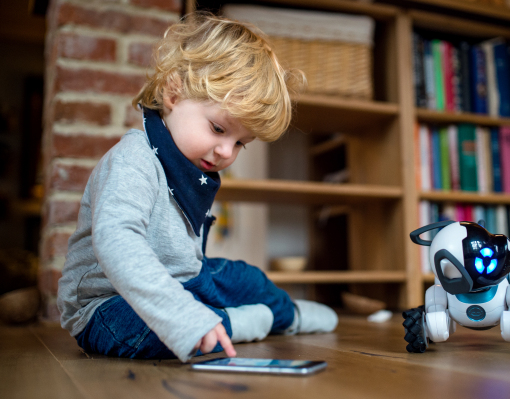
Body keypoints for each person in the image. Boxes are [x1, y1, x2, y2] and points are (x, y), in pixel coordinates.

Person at [57, 12, 338, 363]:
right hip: (106, 305)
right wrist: (186, 315)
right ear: (173, 94)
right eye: (219, 130)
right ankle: (228, 325)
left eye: (241, 143)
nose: (226, 152)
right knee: (156, 333)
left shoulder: (189, 163)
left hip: (186, 279)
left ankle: (288, 316)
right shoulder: (132, 159)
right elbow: (117, 241)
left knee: (249, 280)